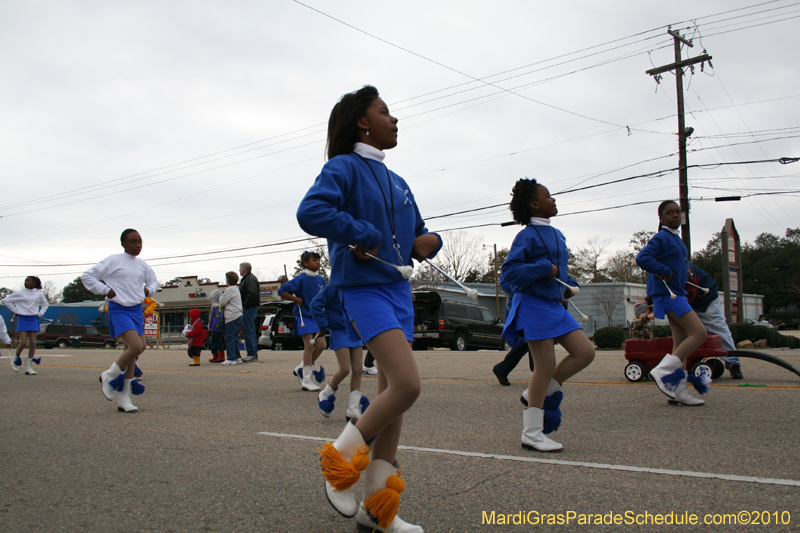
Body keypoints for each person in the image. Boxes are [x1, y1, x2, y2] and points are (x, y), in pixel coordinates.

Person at [297, 85, 441, 532]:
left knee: (391, 399)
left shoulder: (399, 182)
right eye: (385, 112)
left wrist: (428, 242)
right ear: (363, 121)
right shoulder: (343, 168)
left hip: (398, 293)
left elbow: (421, 233)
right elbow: (310, 212)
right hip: (363, 290)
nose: (394, 120)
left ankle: (378, 512)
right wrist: (356, 230)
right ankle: (337, 461)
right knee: (407, 386)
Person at [500, 178, 595, 453]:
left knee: (585, 352)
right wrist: (543, 268)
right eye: (548, 196)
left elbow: (559, 272)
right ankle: (532, 432)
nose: (553, 199)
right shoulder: (526, 236)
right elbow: (509, 275)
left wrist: (567, 285)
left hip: (554, 305)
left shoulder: (558, 234)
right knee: (544, 366)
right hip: (532, 305)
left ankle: (535, 394)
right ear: (534, 204)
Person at [636, 200, 709, 407]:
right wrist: (665, 271)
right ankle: (663, 371)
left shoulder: (676, 239)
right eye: (670, 213)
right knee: (699, 333)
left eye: (678, 212)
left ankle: (677, 391)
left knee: (681, 342)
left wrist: (682, 270)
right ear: (661, 218)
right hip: (669, 296)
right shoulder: (661, 237)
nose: (675, 216)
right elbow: (642, 258)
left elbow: (674, 262)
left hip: (677, 293)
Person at [82, 229, 158, 413]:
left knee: (136, 350)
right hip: (119, 308)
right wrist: (106, 290)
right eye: (133, 242)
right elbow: (87, 276)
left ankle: (124, 399)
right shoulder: (114, 260)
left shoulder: (142, 265)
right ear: (123, 243)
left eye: (140, 242)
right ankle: (109, 375)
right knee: (135, 347)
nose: (138, 245)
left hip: (135, 309)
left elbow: (154, 281)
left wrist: (148, 291)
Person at [311, 285, 370, 421]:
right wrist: (323, 325)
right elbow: (315, 304)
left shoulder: (358, 287)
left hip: (355, 330)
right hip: (339, 331)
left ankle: (353, 408)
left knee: (358, 369)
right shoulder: (333, 286)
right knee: (344, 369)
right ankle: (325, 393)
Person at [279, 251, 328, 392]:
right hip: (304, 316)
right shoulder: (300, 278)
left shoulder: (321, 280)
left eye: (319, 260)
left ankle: (301, 367)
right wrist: (296, 299)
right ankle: (307, 379)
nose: (318, 262)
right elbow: (282, 290)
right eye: (314, 260)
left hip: (317, 317)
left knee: (321, 345)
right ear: (306, 263)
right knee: (309, 346)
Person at [687, 261, 742, 379]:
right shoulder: (656, 270)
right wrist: (648, 302)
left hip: (705, 302)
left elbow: (687, 296)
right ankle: (684, 362)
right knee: (684, 333)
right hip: (690, 302)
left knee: (719, 330)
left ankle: (733, 364)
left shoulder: (688, 271)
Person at [3, 276, 49, 375]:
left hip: (33, 318)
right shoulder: (20, 293)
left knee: (33, 342)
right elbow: (6, 300)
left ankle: (28, 367)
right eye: (25, 281)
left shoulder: (38, 294)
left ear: (34, 283)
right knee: (23, 342)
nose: (26, 282)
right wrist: (16, 310)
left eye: (28, 281)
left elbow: (45, 304)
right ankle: (15, 359)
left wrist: (40, 314)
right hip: (22, 318)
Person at [492, 295, 534, 386]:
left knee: (528, 342)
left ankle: (502, 369)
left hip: (533, 303)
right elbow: (508, 284)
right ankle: (540, 370)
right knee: (533, 338)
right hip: (524, 303)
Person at [219, 271, 244, 366]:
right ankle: (237, 357)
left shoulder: (229, 290)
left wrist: (221, 296)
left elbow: (222, 302)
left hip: (231, 316)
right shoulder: (236, 289)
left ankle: (231, 358)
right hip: (238, 315)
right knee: (235, 337)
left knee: (229, 337)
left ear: (228, 280)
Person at [238, 262, 260, 363]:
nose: (239, 270)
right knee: (249, 330)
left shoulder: (249, 279)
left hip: (249, 307)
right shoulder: (249, 279)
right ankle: (253, 353)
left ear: (244, 270)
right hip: (250, 307)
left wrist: (245, 305)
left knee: (248, 330)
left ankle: (251, 354)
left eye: (240, 268)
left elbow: (253, 293)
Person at [207, 289, 226, 363]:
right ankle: (221, 356)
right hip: (220, 327)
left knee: (213, 342)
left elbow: (212, 318)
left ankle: (216, 356)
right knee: (220, 342)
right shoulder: (221, 306)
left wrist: (209, 326)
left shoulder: (214, 307)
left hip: (214, 327)